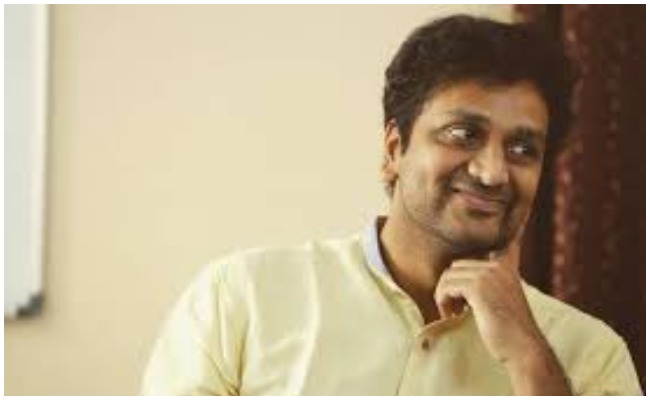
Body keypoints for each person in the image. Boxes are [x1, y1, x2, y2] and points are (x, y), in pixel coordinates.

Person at [141, 15, 642, 395]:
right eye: (464, 134)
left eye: (522, 148)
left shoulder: (592, 355)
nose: (493, 172)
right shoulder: (240, 300)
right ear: (394, 149)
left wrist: (530, 359)